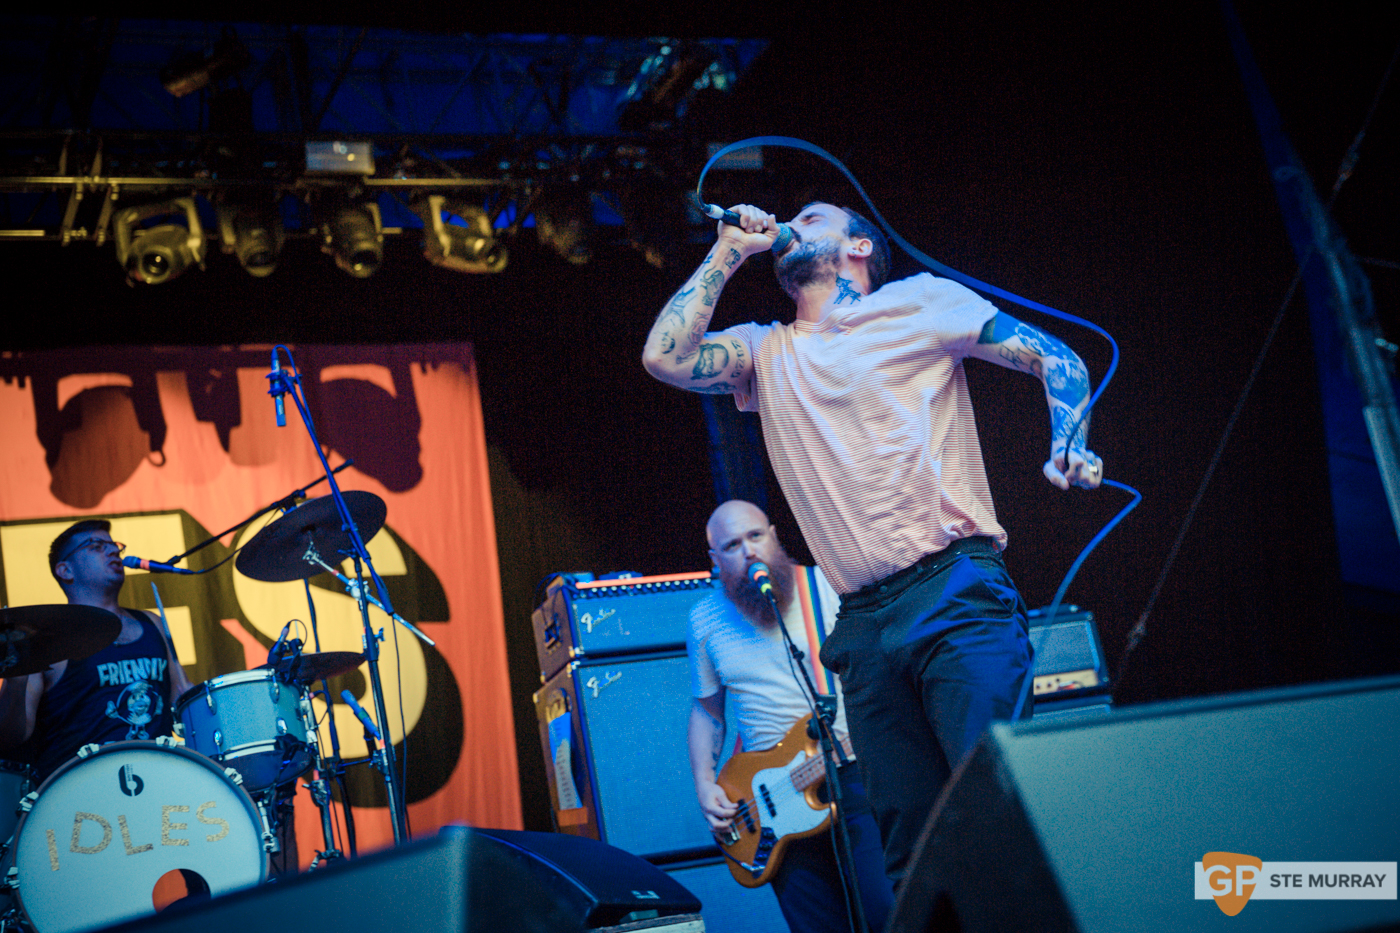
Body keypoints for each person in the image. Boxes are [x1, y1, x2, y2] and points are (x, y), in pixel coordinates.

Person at [644, 202, 1104, 886]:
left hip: (955, 590)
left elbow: (1057, 358)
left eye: (812, 215)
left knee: (1000, 811)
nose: (792, 222)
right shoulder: (765, 351)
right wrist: (728, 251)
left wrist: (1070, 439)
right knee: (912, 854)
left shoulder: (921, 303)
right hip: (860, 625)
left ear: (859, 245)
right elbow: (664, 356)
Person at [688, 500, 893, 933]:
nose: (748, 551)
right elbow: (708, 712)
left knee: (889, 914)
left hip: (853, 777)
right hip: (769, 803)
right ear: (715, 560)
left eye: (755, 536)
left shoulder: (828, 588)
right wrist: (705, 785)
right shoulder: (705, 619)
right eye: (732, 544)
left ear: (775, 535)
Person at [0, 519, 193, 780]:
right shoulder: (45, 638)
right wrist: (15, 678)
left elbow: (182, 698)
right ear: (65, 570)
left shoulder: (153, 623)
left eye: (114, 545)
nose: (113, 551)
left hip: (158, 776)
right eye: (96, 546)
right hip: (79, 787)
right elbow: (13, 736)